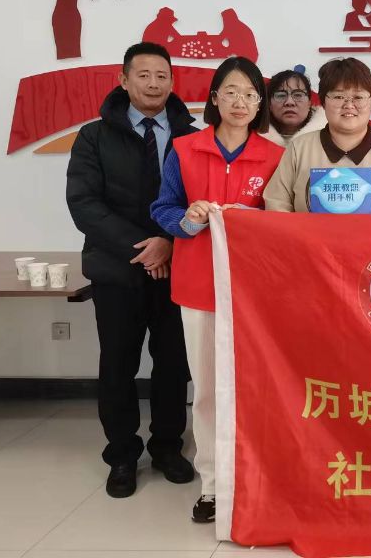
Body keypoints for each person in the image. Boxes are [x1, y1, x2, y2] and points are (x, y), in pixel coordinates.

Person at [150, 57, 283, 523]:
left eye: (250, 93)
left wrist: (254, 220)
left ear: (260, 103)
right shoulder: (185, 149)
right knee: (207, 390)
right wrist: (188, 221)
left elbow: (287, 220)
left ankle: (258, 477)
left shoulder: (275, 156)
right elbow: (163, 207)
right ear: (214, 98)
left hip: (256, 294)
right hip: (200, 288)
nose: (240, 101)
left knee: (258, 390)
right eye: (230, 92)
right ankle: (212, 484)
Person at [66, 42, 196, 499]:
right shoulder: (93, 137)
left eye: (162, 76)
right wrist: (144, 248)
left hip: (178, 267)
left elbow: (202, 202)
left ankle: (167, 448)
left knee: (173, 365)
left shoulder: (193, 137)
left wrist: (170, 243)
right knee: (117, 365)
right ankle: (121, 454)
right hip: (117, 269)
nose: (154, 84)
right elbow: (84, 204)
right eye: (144, 75)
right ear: (124, 81)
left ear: (172, 82)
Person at [264, 58, 371, 213]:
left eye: (358, 97)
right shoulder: (299, 148)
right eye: (338, 97)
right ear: (323, 103)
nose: (349, 105)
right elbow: (277, 205)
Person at [263, 67, 326, 147]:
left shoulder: (328, 138)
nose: (290, 102)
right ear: (269, 104)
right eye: (281, 95)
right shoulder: (251, 136)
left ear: (309, 104)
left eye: (298, 95)